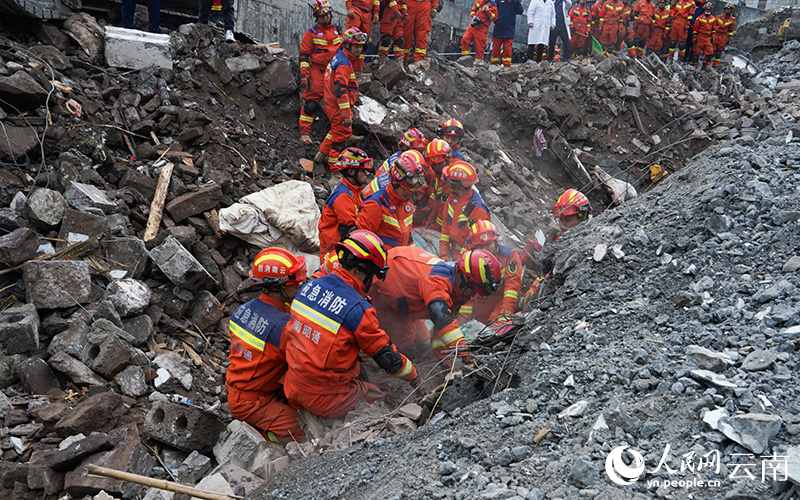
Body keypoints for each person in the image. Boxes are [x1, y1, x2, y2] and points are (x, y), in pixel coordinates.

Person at [282, 230, 420, 419]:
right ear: (359, 268)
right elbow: (387, 358)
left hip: (292, 386)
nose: (372, 282)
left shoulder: (310, 287)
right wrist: (414, 376)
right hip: (325, 398)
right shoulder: (358, 309)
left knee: (360, 372)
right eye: (372, 275)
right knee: (379, 395)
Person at [226, 248, 308, 444]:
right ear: (276, 287)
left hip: (248, 387)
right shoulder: (279, 327)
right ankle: (257, 438)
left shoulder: (244, 310)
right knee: (300, 433)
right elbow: (307, 361)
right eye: (294, 282)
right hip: (251, 402)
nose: (300, 285)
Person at [371, 247, 503, 358]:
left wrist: (445, 361)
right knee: (401, 350)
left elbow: (440, 333)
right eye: (473, 290)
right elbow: (441, 318)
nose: (472, 296)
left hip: (406, 306)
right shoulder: (437, 282)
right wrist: (465, 355)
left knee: (423, 341)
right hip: (378, 287)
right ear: (465, 281)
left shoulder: (455, 289)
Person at [314, 28, 367, 169]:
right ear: (347, 45)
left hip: (333, 103)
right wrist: (346, 115)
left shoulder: (341, 57)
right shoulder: (344, 64)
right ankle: (334, 169)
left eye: (361, 46)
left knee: (336, 131)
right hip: (338, 106)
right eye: (356, 46)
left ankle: (321, 154)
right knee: (339, 140)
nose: (359, 49)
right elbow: (340, 90)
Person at [356, 153, 426, 249]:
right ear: (395, 182)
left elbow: (407, 237)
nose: (409, 194)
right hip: (382, 260)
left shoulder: (408, 205)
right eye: (405, 189)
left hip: (400, 258)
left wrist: (412, 255)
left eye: (412, 191)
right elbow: (360, 241)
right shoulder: (375, 204)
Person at [458, 221, 522, 324]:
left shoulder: (509, 255)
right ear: (474, 247)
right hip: (482, 298)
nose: (485, 249)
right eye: (480, 246)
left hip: (502, 297)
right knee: (465, 322)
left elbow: (512, 288)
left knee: (496, 325)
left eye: (488, 244)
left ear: (495, 241)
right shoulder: (470, 260)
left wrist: (505, 313)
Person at [299, 1, 343, 146]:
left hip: (335, 71)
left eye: (327, 14)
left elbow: (344, 52)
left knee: (339, 103)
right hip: (318, 71)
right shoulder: (310, 33)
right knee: (311, 104)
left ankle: (340, 134)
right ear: (317, 17)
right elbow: (304, 56)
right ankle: (305, 134)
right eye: (322, 15)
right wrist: (304, 75)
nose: (325, 18)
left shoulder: (338, 30)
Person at [318, 148, 374, 258]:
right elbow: (350, 232)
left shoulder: (354, 191)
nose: (366, 174)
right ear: (351, 172)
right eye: (363, 170)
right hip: (335, 254)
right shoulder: (343, 196)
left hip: (340, 250)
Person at [439, 161, 490, 261]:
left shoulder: (477, 209)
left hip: (468, 257)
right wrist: (443, 254)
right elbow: (445, 228)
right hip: (451, 251)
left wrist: (460, 261)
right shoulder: (452, 199)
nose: (450, 187)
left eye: (452, 185)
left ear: (460, 187)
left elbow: (473, 241)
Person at [362, 128, 428, 199]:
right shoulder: (409, 159)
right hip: (377, 195)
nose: (419, 154)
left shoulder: (399, 157)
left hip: (373, 192)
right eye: (417, 151)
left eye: (421, 151)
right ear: (404, 147)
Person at [418, 138, 453, 230]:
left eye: (439, 164)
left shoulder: (451, 180)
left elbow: (444, 209)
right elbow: (435, 198)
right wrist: (428, 212)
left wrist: (434, 226)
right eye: (433, 165)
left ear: (448, 159)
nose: (436, 167)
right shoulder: (438, 176)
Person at [346, 0, 380, 71]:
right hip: (356, 9)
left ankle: (358, 70)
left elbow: (376, 1)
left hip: (368, 13)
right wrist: (349, 7)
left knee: (364, 41)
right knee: (352, 38)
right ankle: (347, 67)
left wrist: (376, 12)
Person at [490, 0, 524, 66]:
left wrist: (517, 2)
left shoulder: (516, 1)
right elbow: (494, 9)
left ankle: (506, 64)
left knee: (507, 47)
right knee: (496, 46)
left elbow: (520, 11)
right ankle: (494, 63)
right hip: (499, 26)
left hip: (509, 27)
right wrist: (496, 20)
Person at [378, 0, 406, 65]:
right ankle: (382, 62)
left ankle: (399, 64)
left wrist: (404, 12)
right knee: (386, 39)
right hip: (388, 14)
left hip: (398, 16)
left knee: (400, 40)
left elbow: (403, 3)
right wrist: (395, 10)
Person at [691, 2, 715, 68]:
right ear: (704, 9)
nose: (708, 11)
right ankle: (695, 66)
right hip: (700, 37)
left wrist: (713, 37)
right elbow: (695, 28)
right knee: (696, 53)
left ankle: (705, 67)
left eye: (709, 10)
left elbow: (713, 29)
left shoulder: (713, 19)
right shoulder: (699, 18)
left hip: (707, 38)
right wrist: (694, 37)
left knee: (710, 53)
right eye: (707, 9)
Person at [712, 3, 735, 68]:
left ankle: (715, 66)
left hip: (723, 36)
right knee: (711, 51)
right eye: (727, 9)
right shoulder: (719, 17)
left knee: (719, 53)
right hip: (716, 35)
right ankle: (708, 64)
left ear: (731, 10)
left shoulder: (732, 20)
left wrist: (729, 39)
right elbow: (713, 26)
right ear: (724, 10)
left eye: (729, 9)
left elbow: (731, 30)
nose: (728, 11)